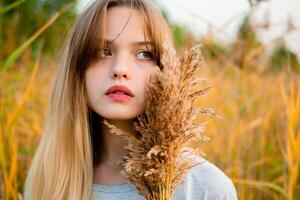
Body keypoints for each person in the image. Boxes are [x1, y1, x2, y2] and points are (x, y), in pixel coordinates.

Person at [24, 0, 238, 199]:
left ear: (166, 70)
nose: (120, 69)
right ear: (77, 70)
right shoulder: (47, 182)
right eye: (103, 51)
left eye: (144, 54)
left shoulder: (205, 187)